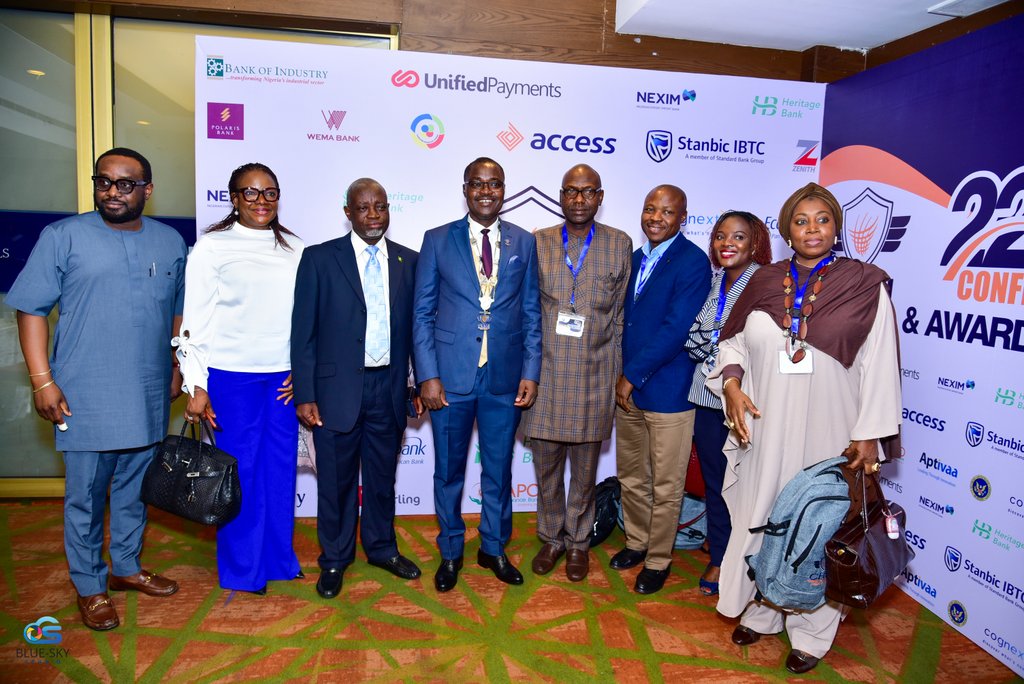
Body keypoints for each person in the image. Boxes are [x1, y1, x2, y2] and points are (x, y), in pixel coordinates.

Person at [708, 182, 901, 674]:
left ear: (836, 228)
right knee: (763, 517)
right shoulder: (764, 280)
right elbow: (731, 343)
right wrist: (731, 385)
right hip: (764, 427)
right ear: (786, 230)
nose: (812, 228)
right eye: (801, 220)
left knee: (816, 527)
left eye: (822, 219)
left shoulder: (865, 284)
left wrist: (869, 434)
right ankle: (763, 610)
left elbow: (880, 363)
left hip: (829, 431)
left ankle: (812, 632)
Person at [7, 148, 185, 630]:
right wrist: (42, 380)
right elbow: (30, 309)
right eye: (103, 181)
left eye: (126, 183)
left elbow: (177, 310)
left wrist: (177, 365)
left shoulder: (169, 241)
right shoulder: (62, 236)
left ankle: (126, 567)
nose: (112, 192)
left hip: (148, 390)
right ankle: (90, 585)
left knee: (135, 489)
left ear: (147, 189)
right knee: (85, 497)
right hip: (82, 392)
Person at [413, 157, 542, 592]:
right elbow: (422, 313)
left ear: (504, 190)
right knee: (449, 471)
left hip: (503, 378)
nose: (486, 191)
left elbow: (531, 311)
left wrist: (531, 370)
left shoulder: (524, 241)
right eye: (478, 184)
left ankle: (493, 547)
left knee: (499, 470)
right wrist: (428, 375)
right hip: (450, 378)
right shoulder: (437, 240)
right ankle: (451, 551)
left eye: (495, 184)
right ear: (465, 189)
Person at [174, 162, 303, 595]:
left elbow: (306, 319)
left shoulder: (295, 248)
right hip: (231, 377)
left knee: (280, 469)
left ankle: (279, 560)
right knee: (239, 472)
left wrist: (303, 372)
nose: (260, 201)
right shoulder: (212, 247)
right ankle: (243, 569)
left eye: (269, 192)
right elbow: (195, 320)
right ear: (233, 198)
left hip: (283, 378)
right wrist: (197, 384)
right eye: (250, 192)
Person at [291, 178, 422, 600]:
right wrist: (305, 394)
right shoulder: (319, 258)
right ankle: (334, 558)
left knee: (382, 478)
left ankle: (382, 549)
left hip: (389, 387)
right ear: (347, 212)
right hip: (335, 390)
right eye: (363, 208)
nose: (372, 215)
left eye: (380, 207)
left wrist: (417, 382)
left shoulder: (409, 260)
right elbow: (303, 333)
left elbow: (418, 330)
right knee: (336, 481)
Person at [523, 164, 631, 582]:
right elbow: (528, 312)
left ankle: (578, 543)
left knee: (585, 473)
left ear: (600, 197)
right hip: (546, 375)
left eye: (588, 192)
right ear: (561, 196)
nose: (579, 199)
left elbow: (619, 318)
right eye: (571, 191)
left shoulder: (619, 243)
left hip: (594, 376)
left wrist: (616, 375)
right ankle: (552, 538)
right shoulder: (539, 242)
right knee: (547, 470)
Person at [612, 184, 711, 595]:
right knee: (632, 476)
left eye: (667, 212)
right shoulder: (635, 259)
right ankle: (636, 542)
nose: (656, 217)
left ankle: (657, 560)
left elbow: (676, 329)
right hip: (629, 393)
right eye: (650, 209)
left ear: (682, 218)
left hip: (667, 392)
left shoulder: (693, 262)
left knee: (666, 485)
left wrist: (631, 375)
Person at [684, 211, 772, 597]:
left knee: (745, 483)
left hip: (743, 398)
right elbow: (696, 337)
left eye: (738, 236)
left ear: (755, 243)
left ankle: (743, 556)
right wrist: (713, 338)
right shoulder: (714, 279)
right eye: (720, 236)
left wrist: (712, 338)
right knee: (717, 482)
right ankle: (721, 553)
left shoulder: (765, 282)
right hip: (706, 395)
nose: (727, 243)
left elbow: (747, 342)